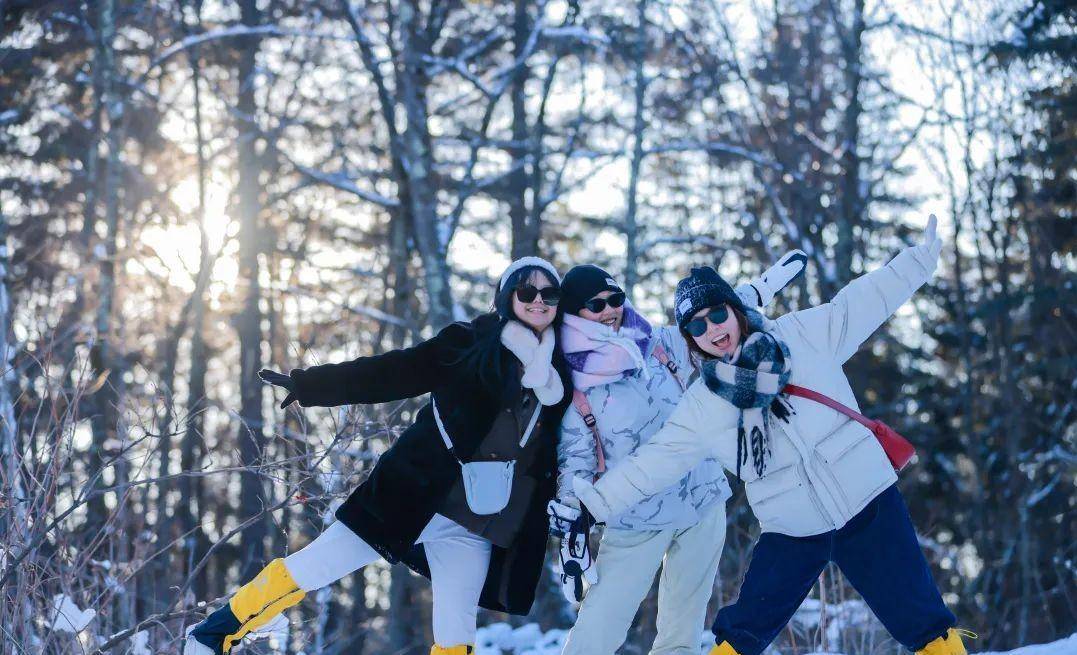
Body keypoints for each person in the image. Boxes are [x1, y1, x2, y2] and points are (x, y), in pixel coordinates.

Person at [572, 216, 968, 655]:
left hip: (868, 501)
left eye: (718, 314)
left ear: (734, 310)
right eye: (698, 327)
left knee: (923, 618)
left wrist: (919, 261)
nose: (714, 330)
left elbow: (861, 301)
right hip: (792, 526)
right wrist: (593, 504)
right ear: (691, 340)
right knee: (743, 631)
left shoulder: (800, 335)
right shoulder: (705, 401)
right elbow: (656, 461)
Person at [184, 257, 573, 655]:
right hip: (409, 496)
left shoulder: (560, 372)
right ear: (508, 298)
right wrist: (311, 385)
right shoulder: (468, 343)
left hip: (474, 522)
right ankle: (212, 636)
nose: (539, 301)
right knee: (316, 566)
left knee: (456, 635)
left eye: (549, 293)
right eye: (527, 292)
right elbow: (393, 371)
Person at [548, 252, 806, 655]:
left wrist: (762, 287)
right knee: (596, 634)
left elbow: (715, 320)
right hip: (635, 519)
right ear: (574, 314)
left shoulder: (661, 343)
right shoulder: (576, 383)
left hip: (701, 504)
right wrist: (570, 519)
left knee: (681, 636)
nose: (610, 311)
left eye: (615, 299)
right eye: (596, 305)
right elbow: (574, 463)